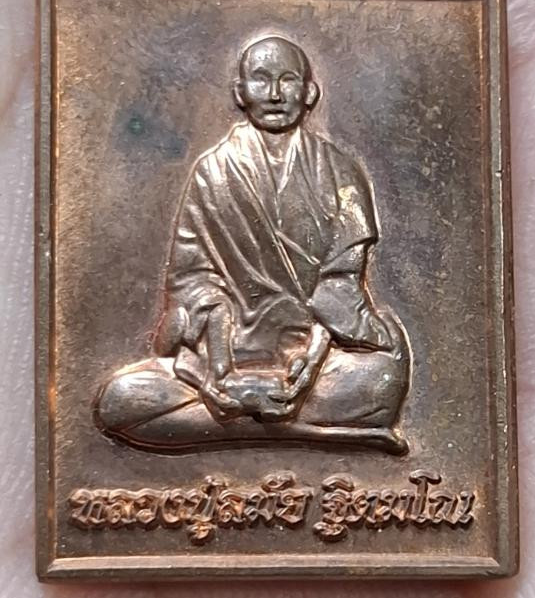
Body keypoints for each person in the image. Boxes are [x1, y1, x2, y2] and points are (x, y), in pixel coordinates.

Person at [95, 35, 411, 454]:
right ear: (240, 92)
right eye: (261, 80)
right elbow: (192, 281)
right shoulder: (213, 172)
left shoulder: (341, 173)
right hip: (223, 357)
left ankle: (244, 422)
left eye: (288, 80)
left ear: (310, 92)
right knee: (119, 400)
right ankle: (298, 430)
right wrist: (219, 374)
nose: (275, 94)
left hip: (317, 363)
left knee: (384, 375)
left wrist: (309, 365)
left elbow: (341, 286)